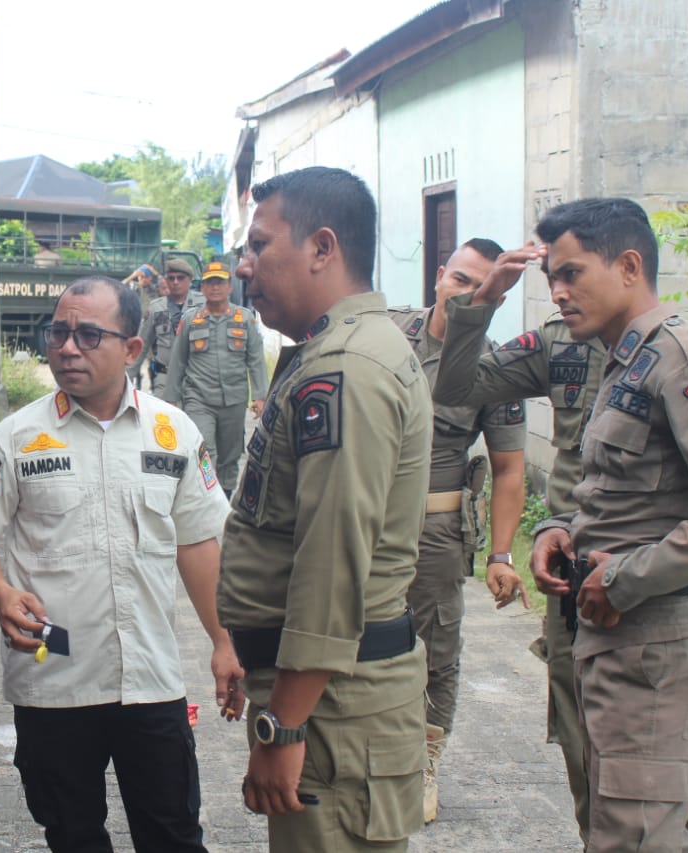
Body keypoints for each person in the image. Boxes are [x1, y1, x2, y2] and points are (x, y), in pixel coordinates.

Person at [431, 221, 688, 853]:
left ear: (628, 266)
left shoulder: (683, 355)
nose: (559, 293)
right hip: (585, 615)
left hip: (647, 626)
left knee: (654, 820)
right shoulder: (587, 350)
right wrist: (556, 526)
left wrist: (626, 579)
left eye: (572, 274)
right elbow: (458, 388)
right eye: (551, 278)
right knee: (605, 804)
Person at [0, 275, 246, 852]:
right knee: (73, 836)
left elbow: (200, 543)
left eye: (87, 335)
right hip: (54, 678)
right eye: (58, 333)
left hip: (150, 680)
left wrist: (222, 641)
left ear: (132, 349)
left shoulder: (173, 432)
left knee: (174, 836)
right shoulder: (17, 438)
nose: (67, 348)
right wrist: (1, 593)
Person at [218, 166, 432, 853]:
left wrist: (282, 726)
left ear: (322, 247)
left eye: (260, 245)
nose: (245, 267)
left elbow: (331, 560)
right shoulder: (327, 353)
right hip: (329, 702)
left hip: (334, 711)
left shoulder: (346, 367)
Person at [387, 238, 527, 824]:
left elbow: (510, 468)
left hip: (434, 529)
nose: (465, 292)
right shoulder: (386, 333)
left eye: (479, 286)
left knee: (435, 648)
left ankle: (425, 762)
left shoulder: (493, 367)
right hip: (360, 522)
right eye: (460, 279)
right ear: (440, 275)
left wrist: (501, 554)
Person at [164, 260, 270, 497]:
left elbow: (256, 360)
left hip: (234, 400)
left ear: (229, 286)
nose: (215, 288)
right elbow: (178, 361)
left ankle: (225, 496)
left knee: (230, 456)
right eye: (210, 282)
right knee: (204, 450)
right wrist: (171, 399)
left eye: (220, 282)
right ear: (202, 288)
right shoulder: (191, 319)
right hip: (198, 398)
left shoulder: (245, 319)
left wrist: (261, 396)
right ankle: (207, 498)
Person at [128, 257, 205, 397]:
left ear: (190, 279)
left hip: (196, 379)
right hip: (165, 378)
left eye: (180, 278)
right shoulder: (157, 307)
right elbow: (142, 344)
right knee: (162, 418)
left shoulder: (204, 305)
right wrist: (127, 376)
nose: (175, 282)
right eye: (171, 278)